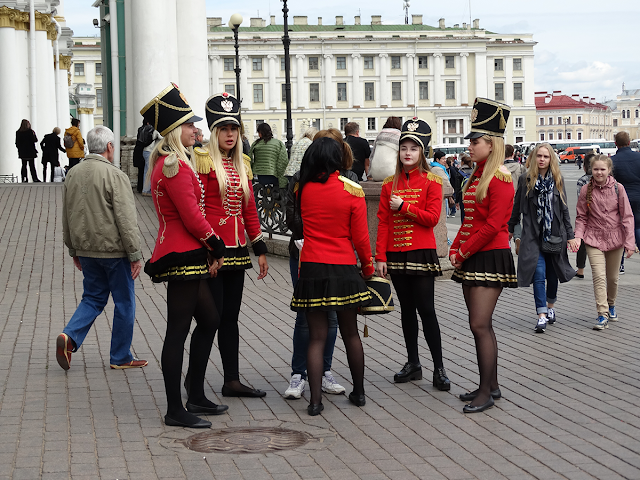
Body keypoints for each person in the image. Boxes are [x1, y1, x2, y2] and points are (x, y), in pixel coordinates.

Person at [142, 83, 227, 428]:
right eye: (191, 124)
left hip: (187, 252)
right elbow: (192, 216)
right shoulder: (173, 164)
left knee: (209, 320)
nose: (198, 129)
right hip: (181, 254)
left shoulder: (176, 161)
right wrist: (216, 244)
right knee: (177, 330)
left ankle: (194, 393)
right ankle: (175, 408)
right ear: (177, 130)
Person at [190, 92, 270, 398]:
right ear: (213, 131)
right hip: (213, 251)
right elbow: (196, 209)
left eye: (234, 128)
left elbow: (249, 210)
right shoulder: (202, 160)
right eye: (223, 129)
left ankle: (231, 380)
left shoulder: (243, 163)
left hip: (236, 251)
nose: (229, 134)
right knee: (211, 318)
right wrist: (209, 250)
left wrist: (260, 249)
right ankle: (195, 384)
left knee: (230, 319)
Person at [290, 137, 374, 416]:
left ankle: (315, 401)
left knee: (316, 336)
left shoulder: (305, 190)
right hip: (344, 266)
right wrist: (368, 268)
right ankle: (359, 393)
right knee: (351, 333)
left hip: (312, 266)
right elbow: (361, 238)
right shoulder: (351, 190)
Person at [56, 126, 147, 373]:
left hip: (86, 249)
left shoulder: (72, 174)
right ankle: (120, 355)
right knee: (124, 302)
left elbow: (66, 215)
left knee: (93, 298)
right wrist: (135, 254)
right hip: (114, 251)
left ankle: (69, 336)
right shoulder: (115, 175)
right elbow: (126, 220)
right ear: (109, 147)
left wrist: (72, 249)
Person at [449, 98, 518, 414]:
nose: (471, 146)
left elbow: (493, 225)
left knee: (479, 324)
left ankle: (487, 393)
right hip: (474, 253)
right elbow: (469, 220)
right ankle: (489, 384)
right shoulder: (476, 174)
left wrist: (463, 250)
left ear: (492, 145)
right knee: (481, 325)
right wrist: (456, 247)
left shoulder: (500, 177)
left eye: (476, 141)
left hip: (489, 255)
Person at [375, 117, 450, 391]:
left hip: (421, 253)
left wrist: (404, 206)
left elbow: (431, 218)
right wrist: (380, 256)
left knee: (427, 310)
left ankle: (439, 368)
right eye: (404, 147)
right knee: (406, 311)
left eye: (413, 148)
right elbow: (383, 221)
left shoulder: (433, 181)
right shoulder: (387, 184)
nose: (408, 153)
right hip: (395, 254)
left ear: (422, 153)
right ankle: (413, 363)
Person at [282, 128, 356, 400]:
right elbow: (291, 217)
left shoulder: (349, 179)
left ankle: (324, 370)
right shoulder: (299, 180)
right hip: (303, 253)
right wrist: (314, 233)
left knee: (333, 319)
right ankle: (298, 373)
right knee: (306, 317)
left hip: (336, 258)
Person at [508, 143, 578, 334]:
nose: (542, 159)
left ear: (551, 159)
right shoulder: (525, 179)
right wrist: (510, 229)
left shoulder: (557, 179)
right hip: (532, 235)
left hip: (555, 234)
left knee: (552, 274)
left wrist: (571, 236)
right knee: (538, 275)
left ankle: (551, 306)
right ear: (533, 157)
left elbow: (564, 209)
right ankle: (541, 315)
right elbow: (517, 207)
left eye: (546, 157)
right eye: (539, 156)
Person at [574, 155, 636, 330]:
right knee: (599, 276)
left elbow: (627, 217)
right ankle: (602, 314)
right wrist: (578, 236)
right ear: (590, 170)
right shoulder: (586, 189)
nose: (599, 172)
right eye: (596, 169)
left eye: (602, 169)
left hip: (616, 239)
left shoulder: (618, 188)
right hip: (593, 238)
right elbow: (581, 217)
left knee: (613, 278)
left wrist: (630, 243)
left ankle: (611, 304)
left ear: (609, 170)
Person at [612, 131, 640, 275]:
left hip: (622, 199)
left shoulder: (613, 161)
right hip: (639, 197)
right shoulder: (638, 157)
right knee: (638, 228)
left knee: (622, 229)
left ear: (615, 143)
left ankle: (620, 264)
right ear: (629, 142)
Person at [249, 123, 288, 188]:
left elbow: (249, 158)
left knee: (263, 193)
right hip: (274, 174)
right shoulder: (278, 143)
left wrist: (252, 171)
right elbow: (283, 160)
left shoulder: (256, 144)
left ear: (261, 132)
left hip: (260, 174)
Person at [503, 144, 527, 254]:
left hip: (504, 198)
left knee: (503, 221)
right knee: (516, 219)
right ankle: (518, 238)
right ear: (513, 154)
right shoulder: (520, 167)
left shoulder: (500, 168)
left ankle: (505, 243)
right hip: (517, 197)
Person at [575, 153, 595, 278]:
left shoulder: (582, 180)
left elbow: (580, 199)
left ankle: (580, 270)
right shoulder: (606, 179)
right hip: (601, 217)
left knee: (581, 241)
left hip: (586, 215)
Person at [369, 116, 402, 181]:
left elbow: (372, 155)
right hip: (391, 173)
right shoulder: (399, 135)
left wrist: (370, 173)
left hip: (375, 174)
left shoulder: (379, 135)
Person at [133, 120, 154, 193]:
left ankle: (141, 188)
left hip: (140, 150)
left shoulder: (140, 129)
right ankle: (146, 189)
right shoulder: (151, 129)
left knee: (142, 170)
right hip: (148, 151)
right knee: (147, 170)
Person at [142, 127, 162, 196]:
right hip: (150, 151)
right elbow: (161, 137)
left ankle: (146, 189)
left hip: (145, 151)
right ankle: (146, 190)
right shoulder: (155, 130)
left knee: (147, 170)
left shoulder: (148, 129)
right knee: (149, 171)